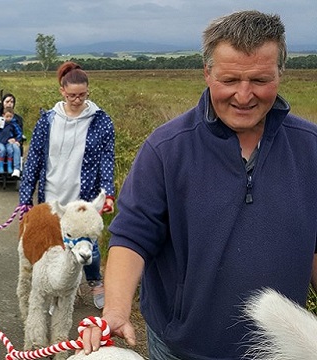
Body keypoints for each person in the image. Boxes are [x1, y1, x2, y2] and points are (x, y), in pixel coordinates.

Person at [79, 10, 317, 359]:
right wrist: (115, 311)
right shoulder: (166, 149)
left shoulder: (310, 147)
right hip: (182, 348)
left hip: (282, 349)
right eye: (230, 79)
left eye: (260, 80)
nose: (244, 95)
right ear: (207, 73)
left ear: (281, 73)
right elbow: (132, 238)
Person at [18, 61, 116, 309]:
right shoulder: (47, 120)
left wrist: (108, 194)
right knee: (53, 243)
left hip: (84, 195)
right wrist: (25, 199)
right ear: (62, 91)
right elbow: (34, 160)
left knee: (87, 242)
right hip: (52, 195)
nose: (77, 100)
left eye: (82, 95)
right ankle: (54, 288)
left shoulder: (100, 121)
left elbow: (107, 158)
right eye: (72, 95)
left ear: (88, 91)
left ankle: (95, 282)